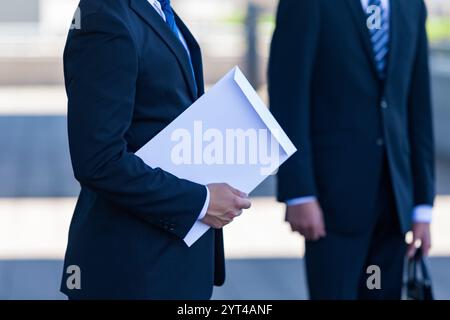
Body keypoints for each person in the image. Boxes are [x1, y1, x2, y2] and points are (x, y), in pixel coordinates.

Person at [61, 0, 251, 299]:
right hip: (134, 269)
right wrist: (201, 201)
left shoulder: (159, 9)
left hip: (172, 260)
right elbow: (98, 160)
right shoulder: (104, 17)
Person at [269, 0, 435, 299]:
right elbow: (288, 98)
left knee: (381, 291)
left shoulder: (411, 6)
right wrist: (299, 191)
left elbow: (418, 108)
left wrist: (423, 206)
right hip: (331, 200)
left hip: (394, 202)